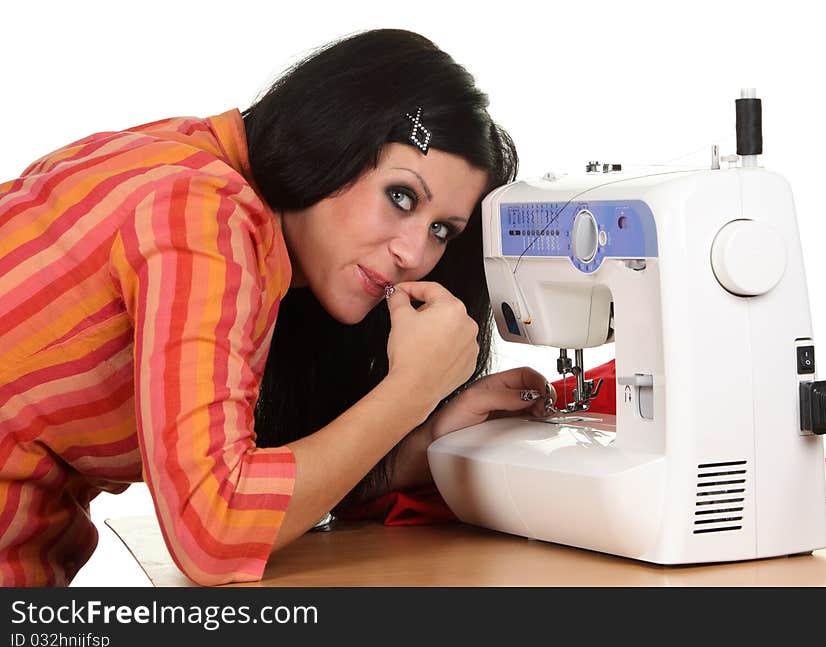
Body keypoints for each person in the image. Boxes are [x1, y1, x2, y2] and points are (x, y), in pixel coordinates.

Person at [0, 28, 553, 587]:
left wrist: (425, 442)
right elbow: (216, 534)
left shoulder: (194, 169)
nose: (414, 252)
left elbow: (257, 483)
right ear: (334, 138)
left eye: (441, 230)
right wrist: (412, 389)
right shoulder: (202, 216)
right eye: (401, 196)